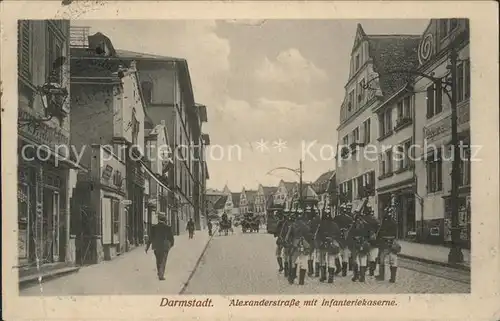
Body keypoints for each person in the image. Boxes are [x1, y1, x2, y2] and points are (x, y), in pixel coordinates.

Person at [285, 207, 313, 285]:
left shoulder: (293, 225)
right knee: (303, 262)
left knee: (293, 262)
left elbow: (287, 237)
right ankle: (301, 281)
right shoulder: (307, 226)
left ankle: (292, 278)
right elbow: (310, 237)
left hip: (295, 245)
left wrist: (289, 243)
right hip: (305, 246)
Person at [376, 196, 401, 283]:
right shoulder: (394, 223)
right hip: (392, 243)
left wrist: (378, 242)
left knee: (382, 260)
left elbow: (379, 234)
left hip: (384, 244)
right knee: (393, 260)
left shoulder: (383, 223)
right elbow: (397, 234)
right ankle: (392, 278)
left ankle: (381, 276)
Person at [316, 206, 341, 283]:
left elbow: (318, 235)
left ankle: (323, 276)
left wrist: (319, 242)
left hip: (323, 244)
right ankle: (331, 278)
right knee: (331, 260)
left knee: (322, 260)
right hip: (332, 244)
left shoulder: (320, 224)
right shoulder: (335, 224)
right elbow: (338, 234)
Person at [145, 214, 175, 280]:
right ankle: (161, 275)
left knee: (158, 260)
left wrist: (147, 247)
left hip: (156, 246)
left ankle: (159, 272)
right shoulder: (168, 227)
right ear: (164, 220)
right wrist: (171, 245)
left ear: (158, 219)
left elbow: (150, 238)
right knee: (163, 261)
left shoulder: (154, 227)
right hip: (165, 247)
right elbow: (171, 238)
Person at [333, 204, 354, 277]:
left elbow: (334, 227)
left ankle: (338, 268)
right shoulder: (350, 219)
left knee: (336, 254)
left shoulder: (336, 218)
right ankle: (344, 272)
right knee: (345, 254)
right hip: (346, 239)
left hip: (338, 238)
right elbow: (351, 229)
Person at [309, 207, 322, 278]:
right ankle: (317, 272)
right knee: (318, 254)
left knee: (311, 255)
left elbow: (309, 230)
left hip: (312, 239)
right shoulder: (320, 220)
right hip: (318, 239)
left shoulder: (311, 221)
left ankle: (311, 271)